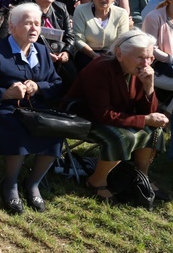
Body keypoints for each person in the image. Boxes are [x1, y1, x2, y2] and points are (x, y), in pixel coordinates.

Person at [0, 3, 65, 213]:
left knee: (55, 131)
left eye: (37, 24)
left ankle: (32, 183)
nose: (34, 28)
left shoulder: (41, 50)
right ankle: (10, 184)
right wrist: (5, 93)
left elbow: (57, 84)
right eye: (28, 23)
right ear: (12, 28)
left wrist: (38, 87)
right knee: (17, 130)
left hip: (36, 108)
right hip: (4, 109)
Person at [65, 30, 169, 202]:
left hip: (115, 115)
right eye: (141, 57)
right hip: (86, 117)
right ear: (120, 54)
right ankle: (96, 181)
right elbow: (103, 115)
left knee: (152, 129)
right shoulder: (100, 68)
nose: (147, 63)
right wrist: (146, 119)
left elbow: (147, 112)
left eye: (150, 58)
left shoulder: (139, 71)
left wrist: (149, 87)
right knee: (122, 136)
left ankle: (141, 176)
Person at [73, 0, 130, 70]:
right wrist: (93, 55)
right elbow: (78, 39)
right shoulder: (81, 10)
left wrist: (109, 56)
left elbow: (122, 41)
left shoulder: (121, 13)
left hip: (112, 54)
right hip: (86, 54)